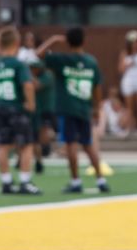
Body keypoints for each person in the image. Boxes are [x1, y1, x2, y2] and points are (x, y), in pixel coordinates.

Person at [36, 28, 110, 194]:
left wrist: (54, 40)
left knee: (71, 145)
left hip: (68, 108)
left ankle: (76, 181)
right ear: (84, 41)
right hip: (84, 107)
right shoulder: (91, 61)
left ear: (67, 42)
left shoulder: (62, 59)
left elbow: (36, 55)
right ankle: (101, 179)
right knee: (88, 145)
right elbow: (97, 86)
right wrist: (97, 107)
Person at [0, 26, 40, 194]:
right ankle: (25, 182)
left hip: (1, 109)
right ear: (17, 43)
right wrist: (31, 103)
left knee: (3, 146)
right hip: (17, 108)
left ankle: (6, 182)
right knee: (26, 145)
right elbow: (27, 85)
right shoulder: (18, 64)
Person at [29, 58, 56, 174]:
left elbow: (36, 86)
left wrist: (27, 76)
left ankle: (48, 148)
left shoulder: (47, 75)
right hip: (36, 110)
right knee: (35, 138)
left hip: (46, 109)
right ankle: (38, 160)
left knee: (43, 134)